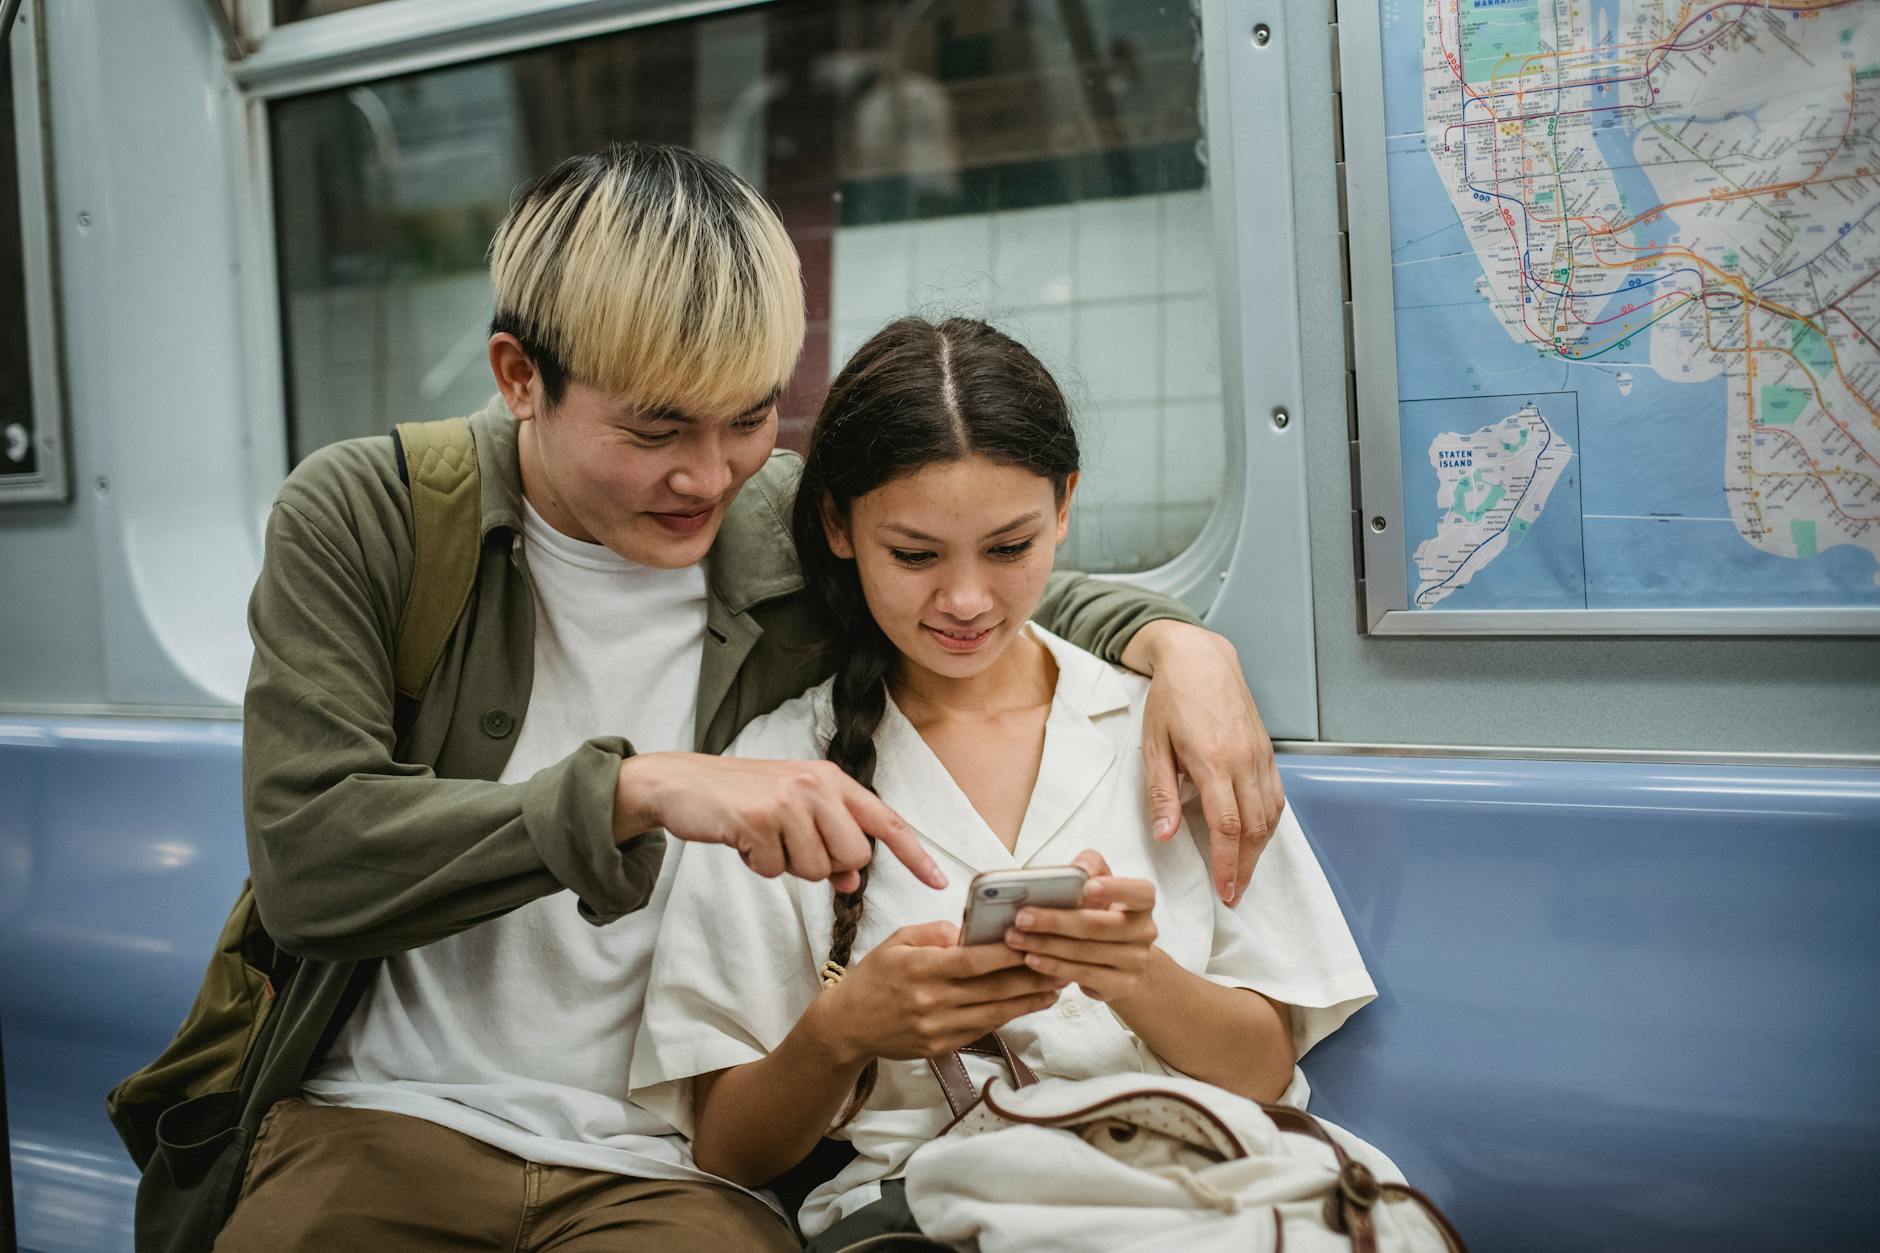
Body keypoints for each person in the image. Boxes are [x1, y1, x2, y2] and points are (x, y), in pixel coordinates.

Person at [145, 144, 1290, 1252]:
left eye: (748, 417)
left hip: (664, 1162)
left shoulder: (779, 523)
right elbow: (310, 858)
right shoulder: (372, 516)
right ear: (518, 377)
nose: (706, 474)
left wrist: (1173, 640)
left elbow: (964, 579)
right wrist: (641, 789)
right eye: (654, 429)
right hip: (381, 1117)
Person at [630, 317, 1377, 1247]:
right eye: (914, 555)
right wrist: (843, 1030)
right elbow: (728, 1150)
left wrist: (1135, 975)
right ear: (837, 525)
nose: (967, 600)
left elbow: (1263, 1068)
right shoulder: (777, 770)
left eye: (1011, 547)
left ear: (1065, 506)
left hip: (1195, 1192)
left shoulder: (1168, 724)